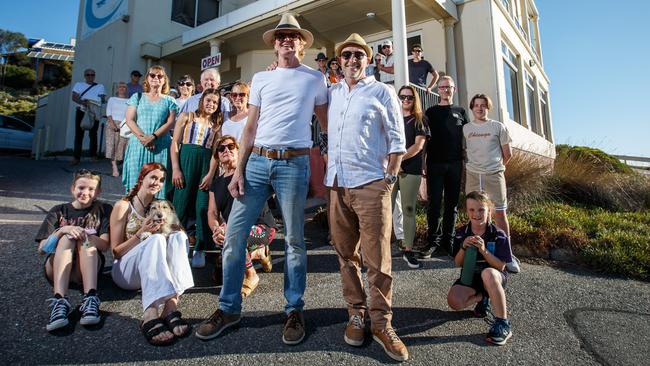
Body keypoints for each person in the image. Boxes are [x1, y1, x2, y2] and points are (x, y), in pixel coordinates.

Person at [195, 13, 328, 346]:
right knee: (233, 236)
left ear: (302, 42)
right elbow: (251, 127)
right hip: (256, 163)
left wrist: (332, 163)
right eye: (281, 36)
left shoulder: (315, 79)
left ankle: (294, 309)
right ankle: (229, 308)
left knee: (295, 241)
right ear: (275, 44)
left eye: (292, 35)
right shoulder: (261, 79)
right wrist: (238, 169)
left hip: (294, 165)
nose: (286, 40)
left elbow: (326, 126)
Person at [326, 33, 408, 361]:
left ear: (368, 59)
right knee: (346, 257)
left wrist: (389, 179)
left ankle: (382, 323)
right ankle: (356, 313)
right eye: (346, 55)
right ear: (339, 61)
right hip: (337, 184)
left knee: (377, 260)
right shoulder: (331, 93)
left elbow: (397, 139)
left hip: (372, 183)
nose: (352, 60)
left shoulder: (381, 91)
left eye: (358, 55)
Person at [109, 162, 194, 346]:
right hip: (125, 271)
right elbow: (115, 252)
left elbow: (184, 240)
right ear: (142, 178)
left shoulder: (160, 206)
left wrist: (169, 226)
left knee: (178, 237)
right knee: (154, 239)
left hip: (150, 272)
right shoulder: (124, 206)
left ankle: (171, 306)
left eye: (161, 180)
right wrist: (141, 234)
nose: (157, 182)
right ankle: (150, 313)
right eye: (153, 177)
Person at [35, 169, 112, 332]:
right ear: (72, 188)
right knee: (67, 237)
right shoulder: (59, 210)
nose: (85, 192)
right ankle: (59, 301)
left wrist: (85, 234)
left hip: (86, 269)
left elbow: (105, 246)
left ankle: (90, 297)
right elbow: (42, 249)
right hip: (57, 269)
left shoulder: (104, 210)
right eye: (81, 188)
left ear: (98, 191)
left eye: (91, 189)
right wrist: (63, 230)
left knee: (83, 239)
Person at [208, 135, 275, 297]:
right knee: (220, 272)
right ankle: (259, 253)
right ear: (217, 156)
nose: (226, 150)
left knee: (233, 238)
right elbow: (212, 212)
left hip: (261, 227)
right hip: (232, 230)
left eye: (231, 147)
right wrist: (216, 229)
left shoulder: (249, 172)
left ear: (238, 151)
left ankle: (251, 275)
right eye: (221, 149)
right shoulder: (216, 184)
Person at [446, 191, 513, 345]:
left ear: (489, 211)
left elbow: (501, 265)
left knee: (488, 273)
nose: (476, 214)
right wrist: (463, 247)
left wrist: (484, 251)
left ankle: (503, 323)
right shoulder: (461, 233)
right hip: (471, 277)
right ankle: (483, 298)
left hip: (493, 278)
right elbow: (457, 263)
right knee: (454, 301)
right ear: (466, 211)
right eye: (472, 210)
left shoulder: (498, 234)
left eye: (481, 210)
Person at [463, 93, 519, 273]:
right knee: (474, 214)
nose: (479, 108)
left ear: (488, 108)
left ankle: (507, 256)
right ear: (472, 108)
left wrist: (494, 169)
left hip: (493, 175)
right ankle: (476, 254)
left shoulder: (498, 127)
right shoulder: (466, 128)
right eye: (476, 105)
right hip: (473, 175)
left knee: (500, 215)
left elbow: (507, 154)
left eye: (483, 105)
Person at [170, 89, 223, 268]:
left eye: (215, 103)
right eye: (209, 100)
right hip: (185, 163)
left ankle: (200, 248)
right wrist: (176, 169)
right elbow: (175, 143)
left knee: (202, 206)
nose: (211, 104)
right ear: (202, 100)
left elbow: (216, 152)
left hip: (204, 167)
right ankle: (176, 245)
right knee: (181, 204)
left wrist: (210, 174)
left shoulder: (216, 125)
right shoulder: (187, 116)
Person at [422, 76, 468, 258]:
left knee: (452, 205)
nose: (445, 90)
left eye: (448, 87)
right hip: (434, 163)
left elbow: (467, 138)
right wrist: (422, 162)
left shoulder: (461, 111)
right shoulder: (430, 112)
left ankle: (448, 243)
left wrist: (466, 160)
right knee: (434, 204)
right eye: (442, 87)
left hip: (455, 163)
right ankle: (433, 241)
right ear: (438, 90)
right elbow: (425, 139)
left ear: (453, 90)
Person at [122, 65, 179, 199]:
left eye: (160, 76)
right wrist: (144, 139)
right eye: (152, 75)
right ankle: (133, 215)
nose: (156, 78)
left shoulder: (170, 100)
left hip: (160, 145)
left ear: (164, 80)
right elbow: (129, 120)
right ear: (147, 78)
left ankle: (156, 217)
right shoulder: (137, 96)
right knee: (136, 181)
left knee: (158, 184)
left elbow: (170, 123)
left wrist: (153, 137)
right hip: (138, 144)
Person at [393, 85, 430, 269]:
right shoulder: (391, 117)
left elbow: (417, 146)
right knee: (385, 210)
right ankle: (380, 248)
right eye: (402, 97)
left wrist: (398, 162)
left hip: (410, 169)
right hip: (390, 170)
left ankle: (408, 250)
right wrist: (391, 164)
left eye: (409, 97)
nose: (406, 100)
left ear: (415, 99)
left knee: (408, 209)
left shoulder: (420, 120)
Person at [71, 68, 106, 165]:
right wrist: (84, 102)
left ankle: (93, 156)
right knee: (79, 134)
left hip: (94, 112)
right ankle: (76, 157)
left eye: (92, 75)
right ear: (85, 76)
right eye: (88, 75)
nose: (90, 76)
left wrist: (101, 99)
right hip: (82, 111)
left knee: (93, 134)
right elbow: (74, 97)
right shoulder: (79, 85)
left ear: (94, 76)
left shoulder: (100, 86)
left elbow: (102, 98)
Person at [105, 82, 130, 177]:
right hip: (112, 124)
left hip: (124, 124)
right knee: (112, 146)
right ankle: (114, 167)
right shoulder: (112, 99)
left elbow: (130, 114)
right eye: (120, 86)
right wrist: (113, 125)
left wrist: (124, 125)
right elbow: (108, 113)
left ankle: (124, 166)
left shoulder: (129, 100)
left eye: (124, 87)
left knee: (122, 146)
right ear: (117, 89)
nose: (122, 88)